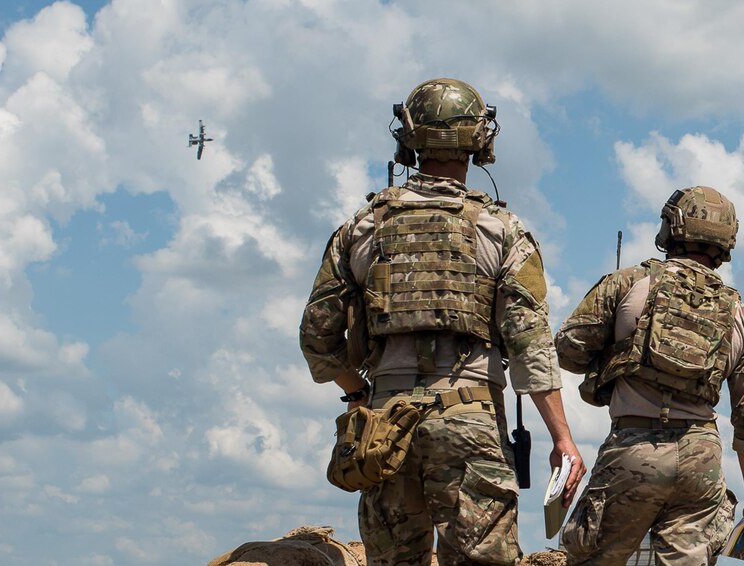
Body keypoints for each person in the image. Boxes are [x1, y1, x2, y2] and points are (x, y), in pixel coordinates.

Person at [301, 78, 585, 566]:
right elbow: (530, 346)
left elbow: (317, 337)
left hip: (384, 423)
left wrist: (358, 394)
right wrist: (562, 438)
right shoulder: (502, 230)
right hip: (470, 417)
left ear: (408, 138)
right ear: (480, 141)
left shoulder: (360, 228)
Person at [555, 186, 744, 565]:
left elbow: (568, 351)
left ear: (671, 227)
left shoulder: (628, 283)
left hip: (634, 446)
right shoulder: (737, 309)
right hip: (702, 458)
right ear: (726, 240)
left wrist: (616, 356)